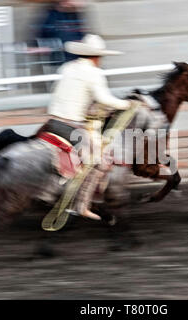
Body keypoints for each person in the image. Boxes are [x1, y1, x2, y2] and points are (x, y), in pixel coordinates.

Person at [46, 34, 132, 221]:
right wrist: (126, 105)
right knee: (100, 161)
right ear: (96, 57)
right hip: (71, 125)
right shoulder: (94, 73)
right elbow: (104, 99)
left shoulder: (67, 67)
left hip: (51, 121)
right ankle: (82, 205)